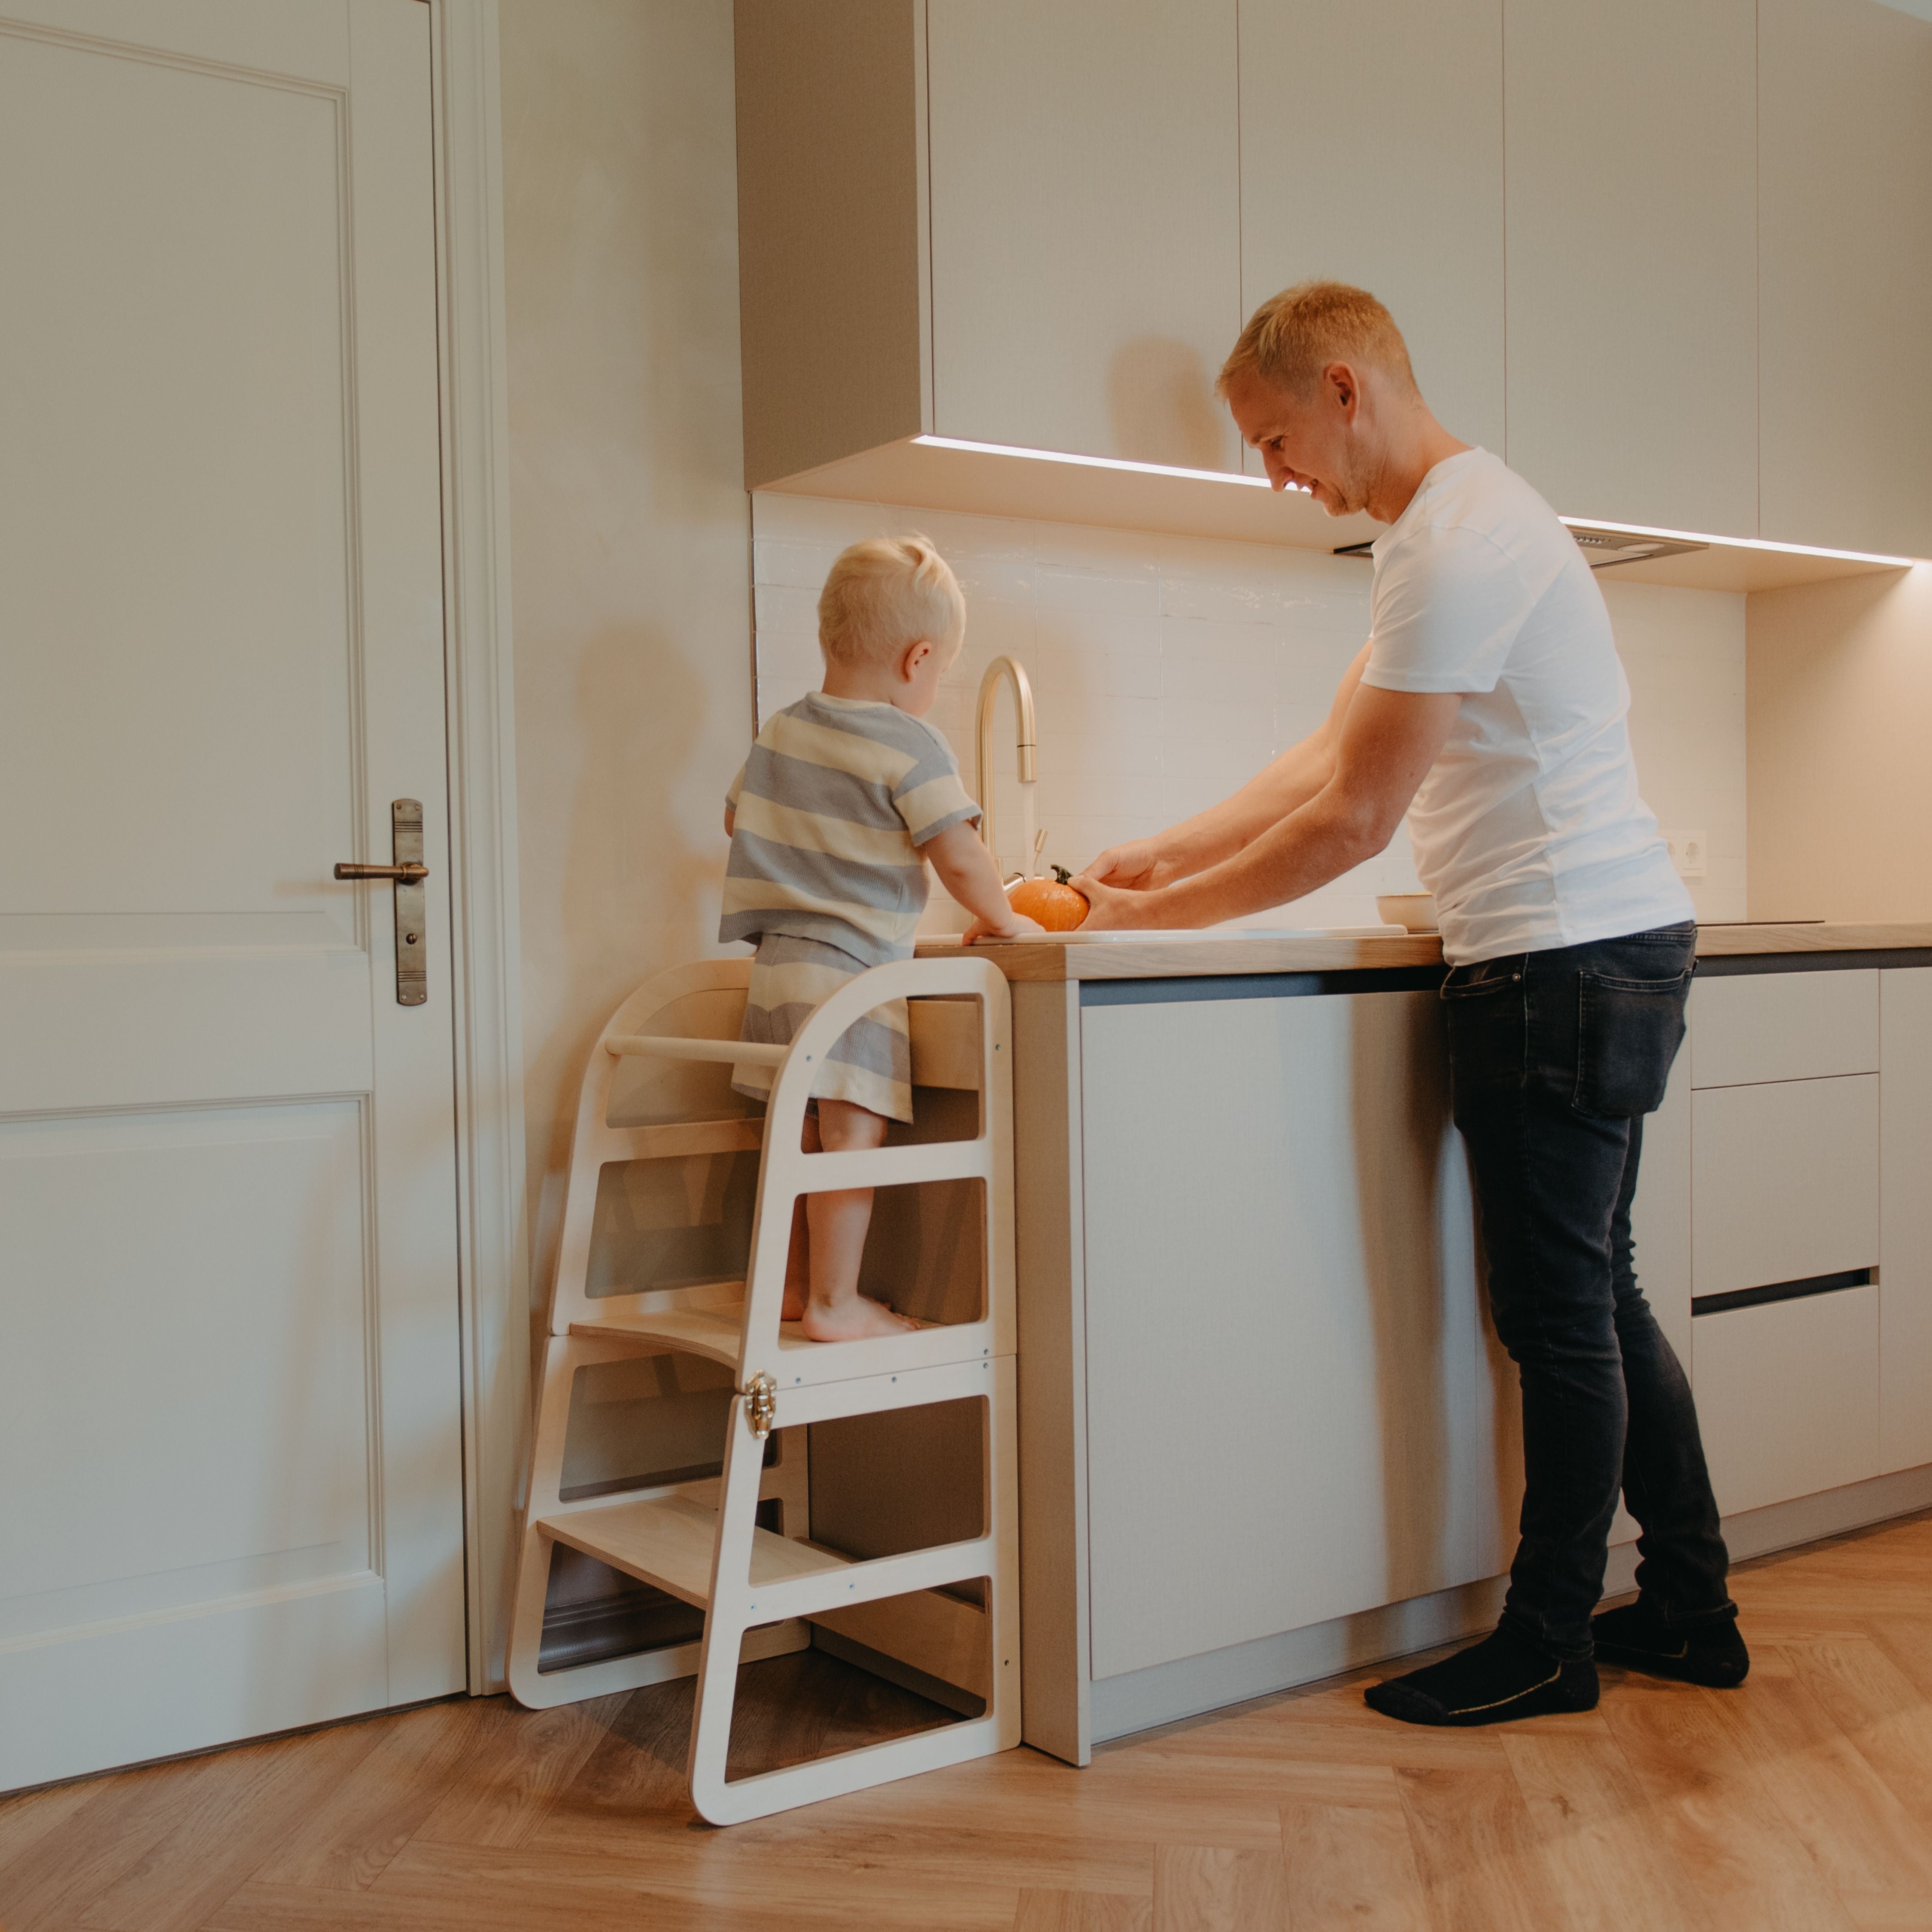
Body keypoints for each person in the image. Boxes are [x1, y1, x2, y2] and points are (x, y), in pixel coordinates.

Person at [1075, 281, 1747, 1725]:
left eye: (1270, 439)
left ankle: (1553, 1641)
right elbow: (1327, 757)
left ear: (1341, 389)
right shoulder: (1457, 530)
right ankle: (1689, 1609)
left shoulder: (1451, 543)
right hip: (1592, 948)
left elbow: (1355, 823)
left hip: (1558, 961)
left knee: (1561, 1320)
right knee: (1597, 1303)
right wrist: (1153, 856)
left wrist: (1147, 922)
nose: (1273, 476)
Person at [721, 535, 1040, 1341]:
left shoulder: (781, 730)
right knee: (850, 1138)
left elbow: (736, 817)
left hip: (776, 971)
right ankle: (835, 1303)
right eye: (940, 671)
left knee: (790, 1139)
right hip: (852, 978)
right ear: (918, 659)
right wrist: (1005, 918)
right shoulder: (909, 742)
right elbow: (960, 857)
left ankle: (789, 1291)